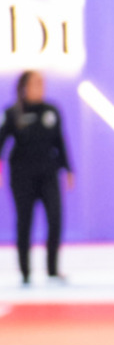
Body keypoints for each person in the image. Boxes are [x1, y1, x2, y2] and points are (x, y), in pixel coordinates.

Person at [0, 71, 73, 285]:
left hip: (48, 173)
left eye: (42, 83)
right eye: (35, 83)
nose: (40, 87)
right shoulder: (13, 113)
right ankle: (25, 273)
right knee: (25, 221)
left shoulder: (52, 111)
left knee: (55, 218)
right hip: (22, 176)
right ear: (23, 87)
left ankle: (52, 269)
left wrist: (68, 169)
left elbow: (60, 143)